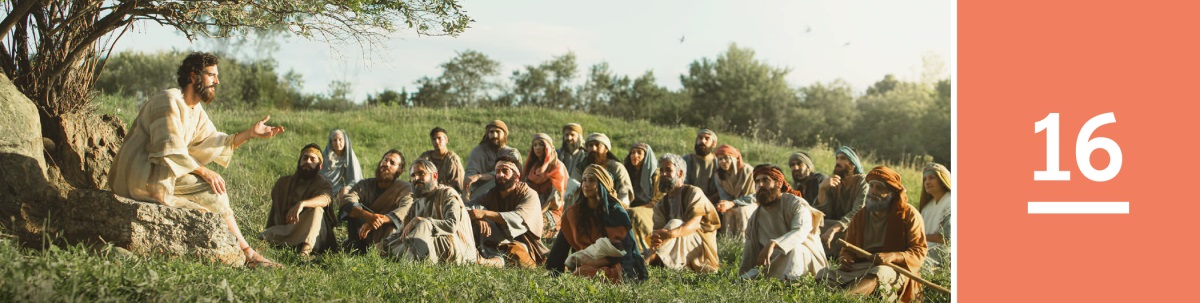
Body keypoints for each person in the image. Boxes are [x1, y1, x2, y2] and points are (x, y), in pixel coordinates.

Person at [108, 52, 285, 268]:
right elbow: (168, 149)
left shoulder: (196, 110)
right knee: (213, 192)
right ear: (194, 77)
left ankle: (247, 253)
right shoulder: (169, 100)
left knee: (214, 195)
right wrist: (205, 172)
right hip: (139, 175)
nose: (217, 81)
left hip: (163, 174)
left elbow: (212, 141)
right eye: (212, 75)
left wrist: (249, 133)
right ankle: (250, 255)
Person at [817, 166, 927, 303]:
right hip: (862, 267)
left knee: (879, 272)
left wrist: (893, 256)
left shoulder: (909, 215)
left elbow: (919, 251)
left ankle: (843, 299)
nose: (873, 191)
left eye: (880, 188)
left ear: (892, 193)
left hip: (895, 269)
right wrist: (845, 257)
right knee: (824, 274)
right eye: (871, 186)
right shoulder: (860, 215)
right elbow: (848, 247)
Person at [545, 164, 649, 283]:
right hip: (585, 262)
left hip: (617, 263)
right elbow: (560, 249)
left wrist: (596, 262)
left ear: (603, 185)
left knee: (585, 273)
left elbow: (626, 252)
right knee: (583, 272)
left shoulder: (616, 213)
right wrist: (554, 271)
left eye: (592, 180)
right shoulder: (574, 213)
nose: (586, 184)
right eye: (584, 180)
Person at [378, 159, 477, 264]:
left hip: (457, 249)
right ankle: (405, 254)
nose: (416, 178)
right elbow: (401, 232)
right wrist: (383, 244)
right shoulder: (416, 204)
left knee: (424, 224)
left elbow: (451, 225)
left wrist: (422, 221)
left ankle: (406, 260)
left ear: (434, 176)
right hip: (426, 244)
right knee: (388, 245)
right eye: (413, 175)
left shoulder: (448, 194)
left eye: (421, 173)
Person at [738, 165, 827, 281]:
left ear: (778, 184)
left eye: (765, 180)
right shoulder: (755, 217)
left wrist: (774, 243)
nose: (760, 185)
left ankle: (789, 283)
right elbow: (750, 248)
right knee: (746, 279)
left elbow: (801, 230)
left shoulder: (795, 204)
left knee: (794, 250)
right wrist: (743, 274)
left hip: (807, 258)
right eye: (757, 181)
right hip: (774, 260)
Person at [644, 153, 721, 274]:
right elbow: (659, 232)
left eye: (668, 170)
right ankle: (655, 258)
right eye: (662, 170)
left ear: (680, 173)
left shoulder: (694, 193)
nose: (663, 174)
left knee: (675, 223)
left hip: (700, 247)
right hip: (673, 244)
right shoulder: (660, 204)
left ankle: (652, 260)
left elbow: (694, 225)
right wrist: (656, 238)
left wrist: (669, 234)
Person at [467, 156, 545, 268]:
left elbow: (519, 218)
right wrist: (478, 218)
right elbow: (466, 206)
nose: (500, 175)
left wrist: (484, 214)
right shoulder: (492, 194)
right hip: (495, 237)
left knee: (514, 252)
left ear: (517, 176)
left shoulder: (529, 194)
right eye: (497, 171)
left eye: (505, 171)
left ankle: (486, 261)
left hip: (522, 241)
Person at [261, 144, 337, 257]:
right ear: (299, 161)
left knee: (317, 210)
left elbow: (325, 199)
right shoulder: (283, 183)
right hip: (287, 229)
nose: (308, 161)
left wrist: (302, 204)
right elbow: (274, 211)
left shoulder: (324, 184)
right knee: (263, 236)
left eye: (313, 159)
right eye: (305, 158)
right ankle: (284, 241)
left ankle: (305, 252)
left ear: (319, 166)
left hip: (314, 233)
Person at [339, 150, 413, 254]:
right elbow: (347, 200)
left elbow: (405, 210)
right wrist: (367, 215)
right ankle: (355, 249)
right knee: (353, 209)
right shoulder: (364, 185)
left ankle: (383, 252)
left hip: (386, 234)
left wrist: (379, 220)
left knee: (395, 224)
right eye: (385, 160)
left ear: (399, 171)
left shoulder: (405, 189)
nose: (386, 164)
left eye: (392, 163)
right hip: (361, 233)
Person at [814, 146, 869, 258]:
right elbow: (822, 214)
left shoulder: (863, 181)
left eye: (843, 158)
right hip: (835, 226)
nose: (838, 162)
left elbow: (859, 211)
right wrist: (822, 189)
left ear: (853, 164)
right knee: (813, 227)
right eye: (837, 158)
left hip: (856, 227)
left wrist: (833, 229)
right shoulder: (834, 182)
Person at [522, 133, 568, 239]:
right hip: (531, 207)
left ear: (548, 147)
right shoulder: (532, 168)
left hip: (551, 210)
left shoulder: (557, 168)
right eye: (535, 145)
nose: (538, 147)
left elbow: (555, 198)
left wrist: (538, 212)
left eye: (541, 144)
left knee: (535, 228)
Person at [464, 120, 522, 200]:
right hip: (480, 194)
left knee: (499, 179)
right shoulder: (477, 151)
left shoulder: (512, 152)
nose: (494, 135)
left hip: (507, 190)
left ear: (504, 134)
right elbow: (470, 175)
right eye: (491, 132)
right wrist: (467, 195)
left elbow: (503, 174)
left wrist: (479, 176)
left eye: (498, 132)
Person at [576, 133, 633, 207]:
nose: (593, 148)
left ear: (606, 149)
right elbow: (573, 185)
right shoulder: (581, 167)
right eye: (590, 145)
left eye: (597, 145)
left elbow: (625, 192)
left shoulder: (616, 167)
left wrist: (618, 208)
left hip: (612, 207)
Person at [712, 144, 757, 237]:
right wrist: (724, 204)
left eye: (726, 158)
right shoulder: (719, 175)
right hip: (732, 204)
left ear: (734, 159)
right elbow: (723, 195)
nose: (723, 162)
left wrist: (733, 203)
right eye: (720, 159)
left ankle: (744, 242)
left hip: (749, 204)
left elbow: (754, 196)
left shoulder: (747, 171)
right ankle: (728, 242)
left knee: (741, 211)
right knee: (727, 212)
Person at [623, 142, 658, 251]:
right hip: (632, 207)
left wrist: (635, 209)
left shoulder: (656, 174)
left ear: (647, 156)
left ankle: (642, 251)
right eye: (632, 152)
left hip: (651, 209)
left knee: (633, 213)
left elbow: (658, 201)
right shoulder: (628, 173)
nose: (635, 155)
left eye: (639, 153)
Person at [918, 163, 952, 272]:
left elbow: (946, 238)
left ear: (942, 180)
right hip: (924, 249)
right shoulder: (926, 208)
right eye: (925, 179)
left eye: (931, 178)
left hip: (944, 254)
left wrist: (920, 237)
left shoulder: (951, 203)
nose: (927, 182)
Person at [417, 127, 466, 193]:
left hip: (446, 195)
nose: (437, 141)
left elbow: (458, 185)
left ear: (446, 140)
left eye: (439, 138)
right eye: (434, 139)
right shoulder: (425, 158)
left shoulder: (452, 160)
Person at [319, 129, 363, 199]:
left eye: (340, 139)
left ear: (345, 141)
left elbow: (356, 179)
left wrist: (347, 188)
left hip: (340, 191)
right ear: (331, 143)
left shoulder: (350, 157)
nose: (337, 143)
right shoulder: (325, 156)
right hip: (324, 191)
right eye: (334, 140)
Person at [683, 129, 720, 202]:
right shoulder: (686, 160)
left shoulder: (718, 163)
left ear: (714, 144)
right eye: (700, 138)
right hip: (689, 200)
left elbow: (722, 189)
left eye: (707, 139)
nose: (702, 141)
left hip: (712, 203)